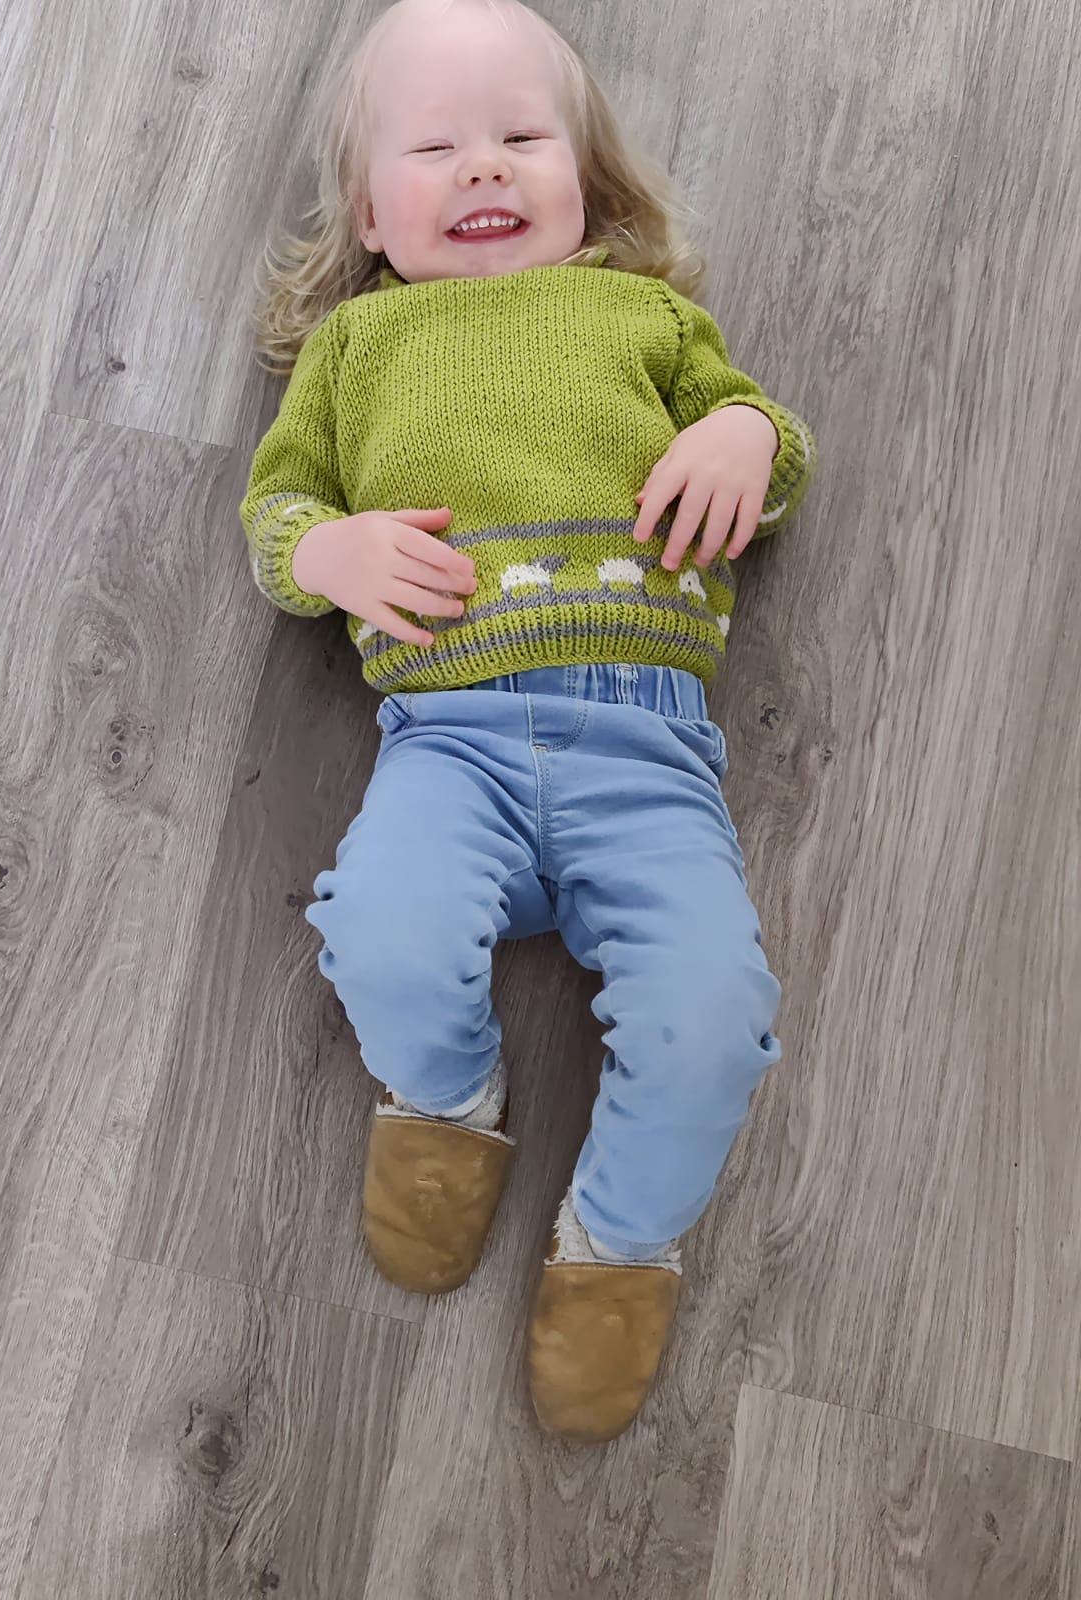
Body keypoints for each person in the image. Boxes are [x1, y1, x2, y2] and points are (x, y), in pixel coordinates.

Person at [240, 0, 814, 1444]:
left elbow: (772, 444)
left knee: (716, 1022)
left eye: (519, 138)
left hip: (649, 751)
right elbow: (277, 507)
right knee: (377, 929)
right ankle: (447, 1099)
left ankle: (620, 1240)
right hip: (453, 744)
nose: (484, 167)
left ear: (587, 183)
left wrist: (744, 432)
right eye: (436, 148)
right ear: (370, 213)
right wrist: (330, 552)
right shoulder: (356, 351)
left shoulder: (647, 321)